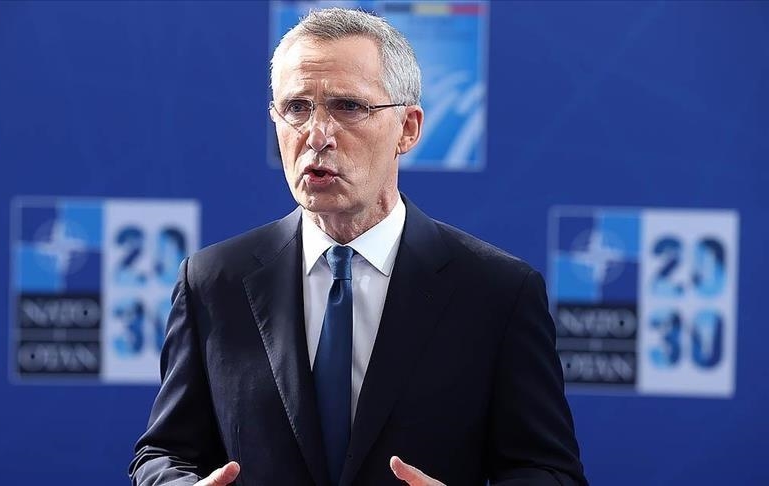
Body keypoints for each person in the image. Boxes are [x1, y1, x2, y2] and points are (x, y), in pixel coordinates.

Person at [130, 7, 586, 486]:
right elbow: (163, 454)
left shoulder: (498, 292)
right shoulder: (212, 282)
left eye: (348, 106)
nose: (317, 136)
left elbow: (550, 472)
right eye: (296, 108)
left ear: (408, 128)